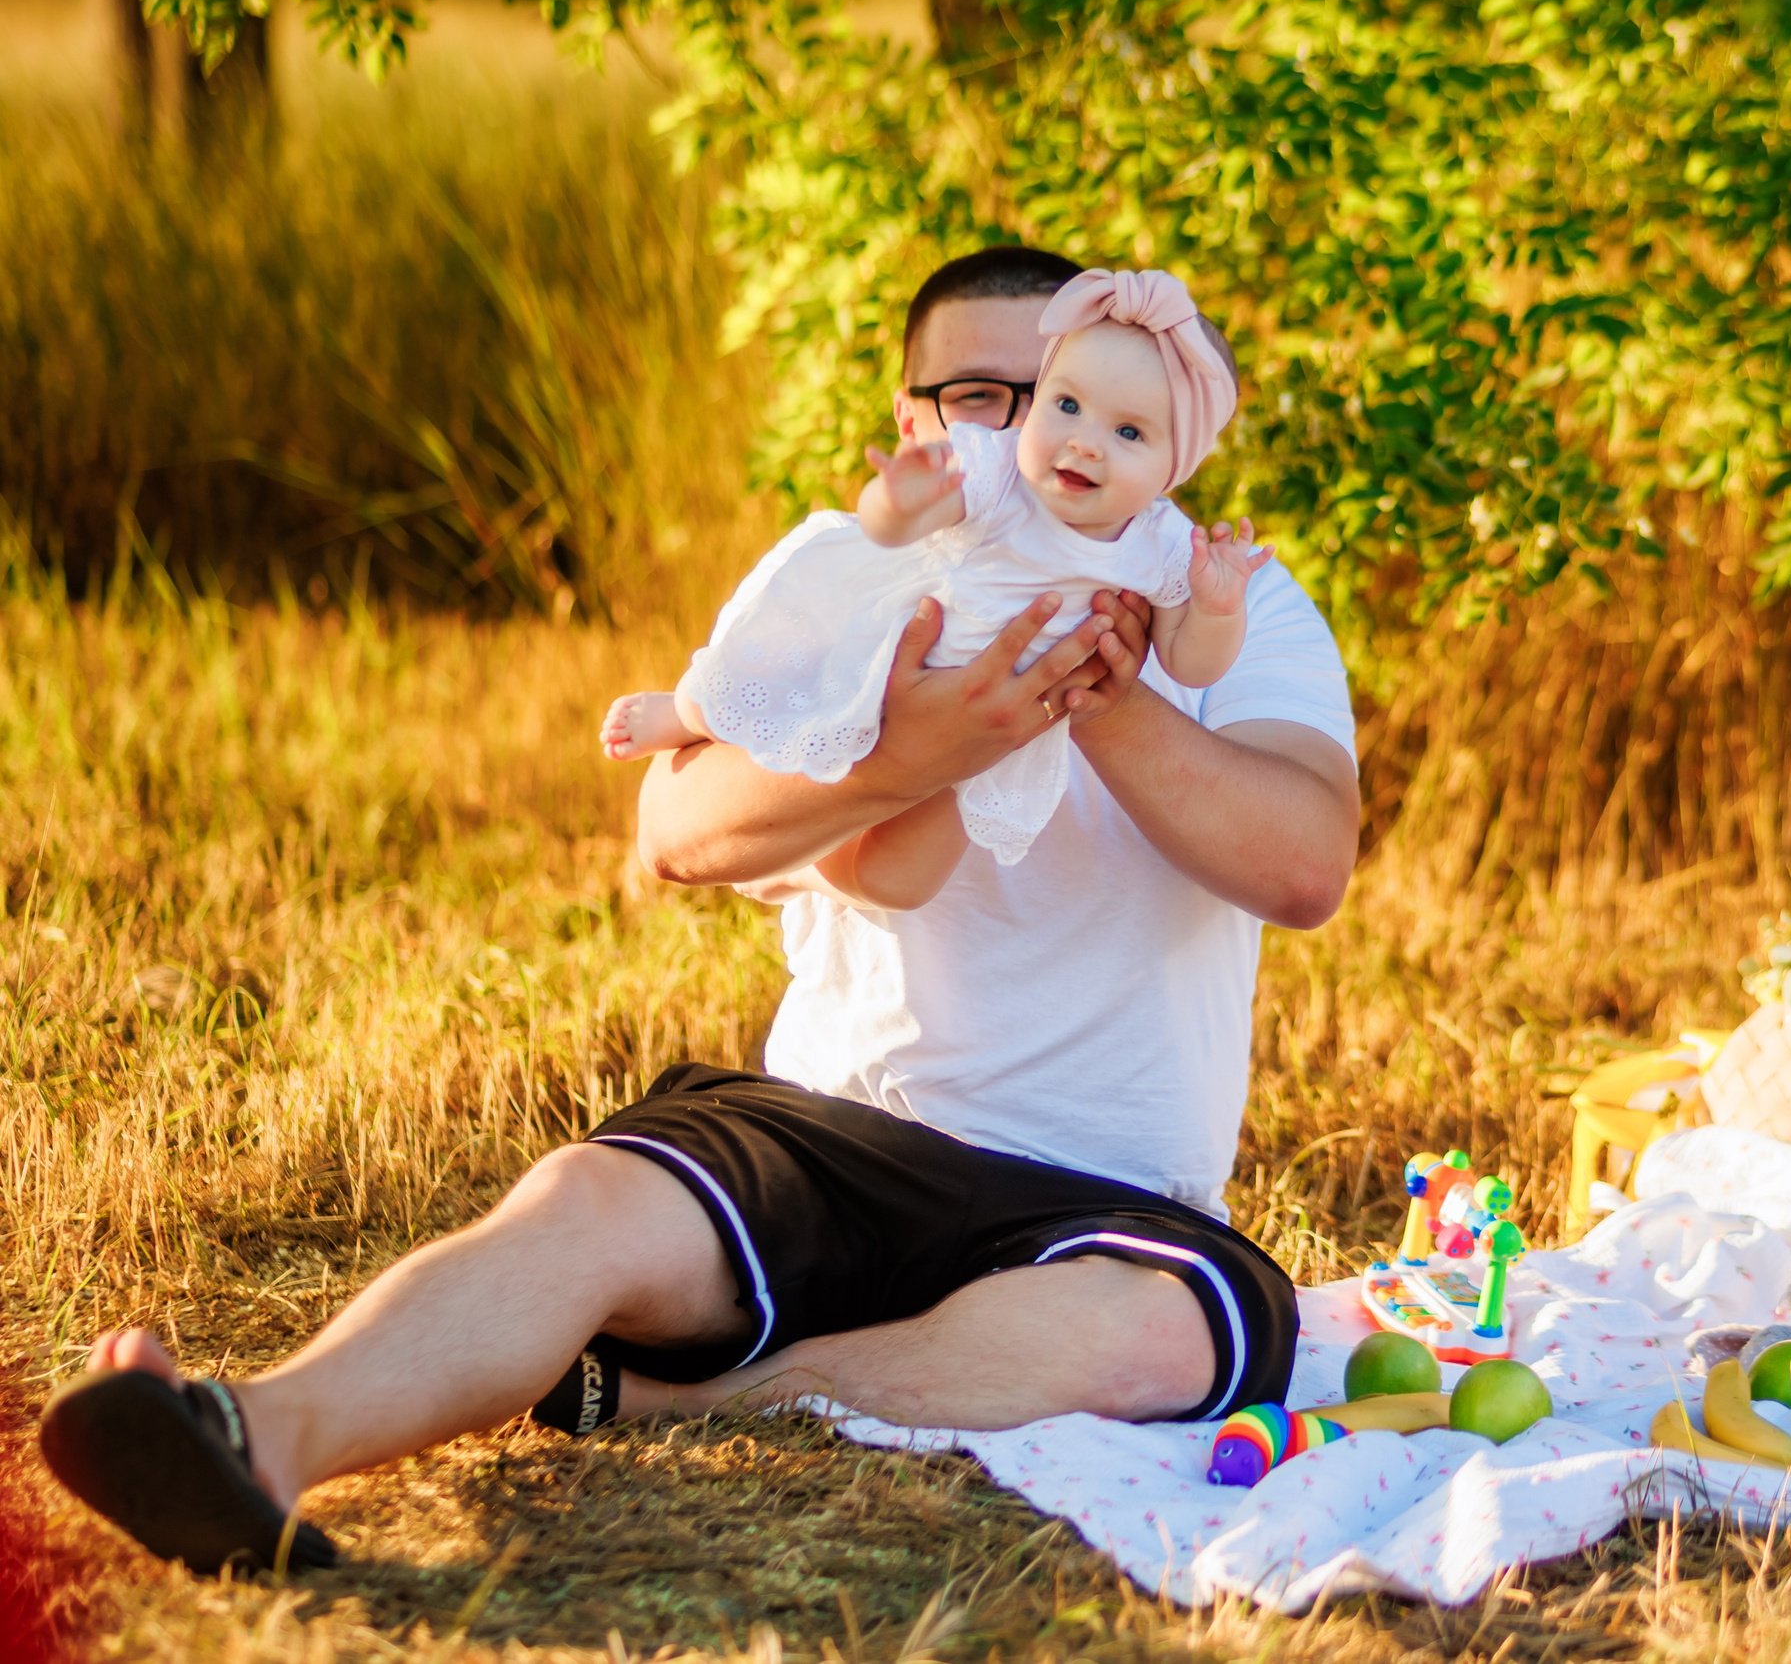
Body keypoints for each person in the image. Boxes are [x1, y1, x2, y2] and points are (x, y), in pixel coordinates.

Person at [39, 245, 1362, 1576]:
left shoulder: (1212, 600)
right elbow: (674, 830)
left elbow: (1305, 865)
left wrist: (1095, 687)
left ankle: (692, 1398)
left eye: (1074, 397)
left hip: (1103, 1202)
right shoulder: (863, 583)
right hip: (828, 1143)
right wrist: (913, 751)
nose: (1042, 435)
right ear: (914, 416)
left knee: (1160, 1336)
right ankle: (249, 1433)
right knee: (582, 1203)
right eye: (987, 396)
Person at [599, 267, 1275, 898]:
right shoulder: (1000, 472)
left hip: (1001, 724)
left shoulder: (1162, 543)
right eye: (1066, 403)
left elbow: (1189, 663)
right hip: (891, 650)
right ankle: (681, 713)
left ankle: (817, 850)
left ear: (1175, 468)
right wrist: (896, 500)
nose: (1085, 441)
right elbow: (895, 527)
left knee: (900, 882)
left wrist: (1219, 610)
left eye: (1128, 430)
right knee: (759, 681)